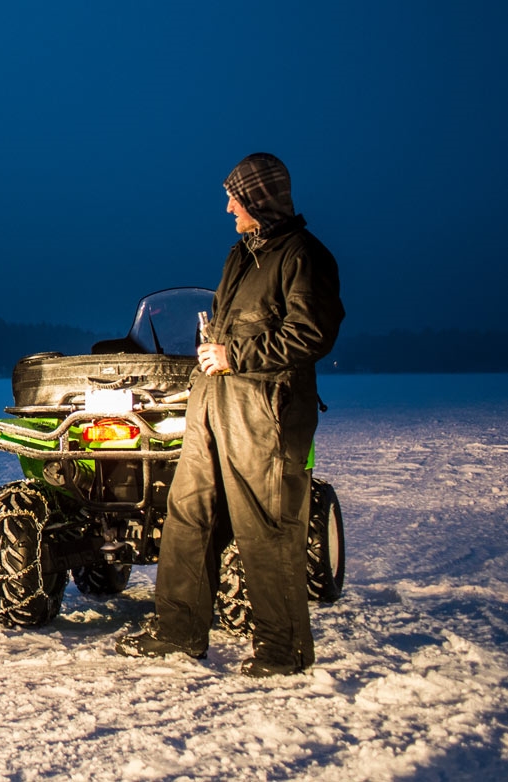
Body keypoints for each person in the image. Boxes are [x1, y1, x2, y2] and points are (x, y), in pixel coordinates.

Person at [117, 153, 345, 677]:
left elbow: (313, 333)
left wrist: (235, 356)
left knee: (266, 526)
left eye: (235, 199)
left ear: (260, 200)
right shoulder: (240, 255)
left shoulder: (304, 257)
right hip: (212, 399)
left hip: (267, 408)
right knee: (189, 512)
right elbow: (229, 324)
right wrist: (211, 348)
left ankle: (282, 650)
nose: (227, 208)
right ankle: (177, 631)